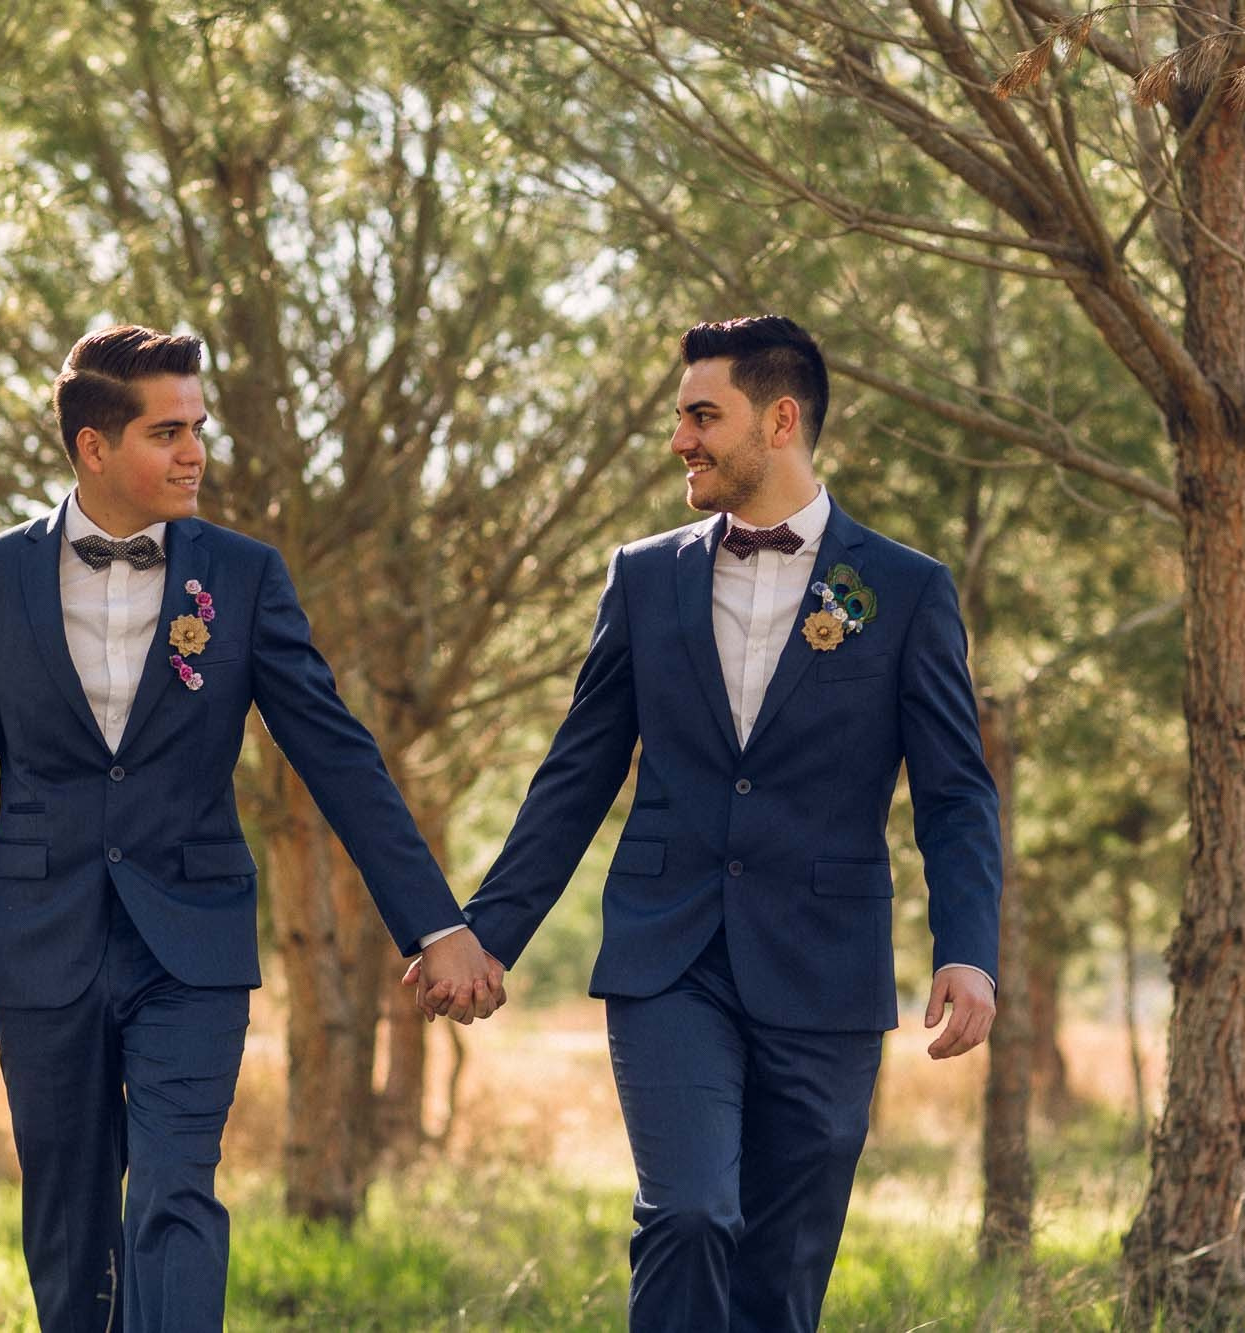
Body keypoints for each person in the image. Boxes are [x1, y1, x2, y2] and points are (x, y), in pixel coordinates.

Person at [0, 324, 504, 1333]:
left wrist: (434, 922)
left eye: (198, 428)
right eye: (166, 431)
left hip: (189, 942)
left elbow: (337, 756)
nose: (194, 453)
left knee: (176, 1195)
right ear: (93, 447)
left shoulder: (241, 576)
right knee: (68, 1226)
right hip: (39, 943)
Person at [419, 315, 1003, 1331]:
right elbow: (574, 775)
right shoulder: (644, 578)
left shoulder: (905, 590)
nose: (679, 440)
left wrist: (968, 949)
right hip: (666, 952)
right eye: (679, 417)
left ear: (778, 420)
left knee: (780, 1272)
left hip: (825, 964)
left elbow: (953, 791)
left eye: (701, 416)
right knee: (688, 1211)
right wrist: (485, 930)